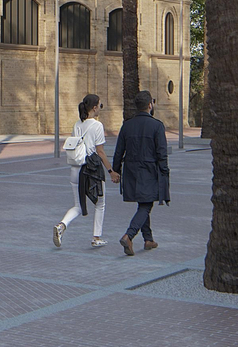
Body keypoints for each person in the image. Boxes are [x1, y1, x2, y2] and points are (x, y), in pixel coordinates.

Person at [110, 90, 170, 256]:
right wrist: (164, 172)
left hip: (131, 170)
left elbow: (118, 151)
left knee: (143, 202)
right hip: (149, 170)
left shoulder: (127, 125)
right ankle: (129, 235)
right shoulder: (157, 125)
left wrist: (116, 171)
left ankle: (148, 239)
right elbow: (162, 153)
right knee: (146, 204)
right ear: (150, 105)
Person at [54, 93, 110, 249]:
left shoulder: (77, 124)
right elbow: (100, 151)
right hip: (91, 170)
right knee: (100, 203)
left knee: (78, 205)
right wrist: (111, 170)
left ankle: (62, 225)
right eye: (100, 105)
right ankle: (96, 237)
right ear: (94, 107)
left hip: (75, 169)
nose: (100, 108)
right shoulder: (97, 126)